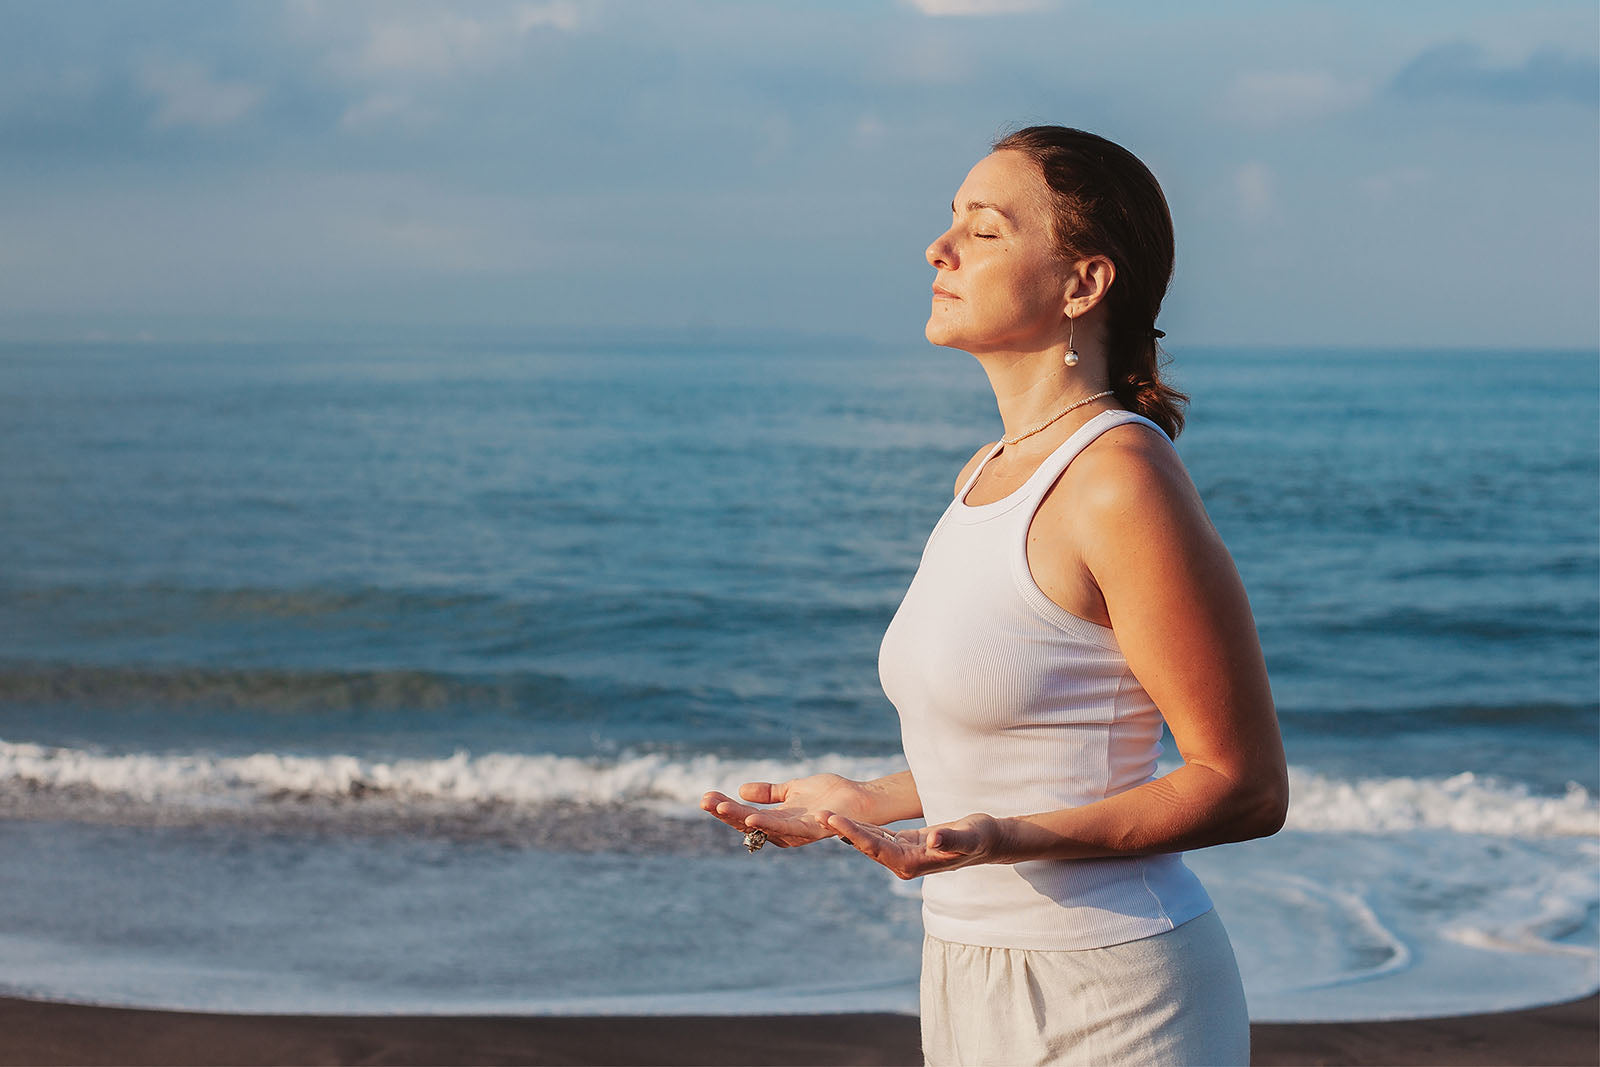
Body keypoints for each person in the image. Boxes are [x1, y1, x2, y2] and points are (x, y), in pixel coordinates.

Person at [702, 125, 1287, 1066]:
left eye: (982, 230)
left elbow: (1243, 784)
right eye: (948, 225)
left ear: (1083, 284)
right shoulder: (986, 471)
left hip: (1113, 990)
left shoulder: (1119, 477)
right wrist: (865, 801)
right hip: (966, 973)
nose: (939, 251)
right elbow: (1034, 754)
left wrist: (1002, 839)